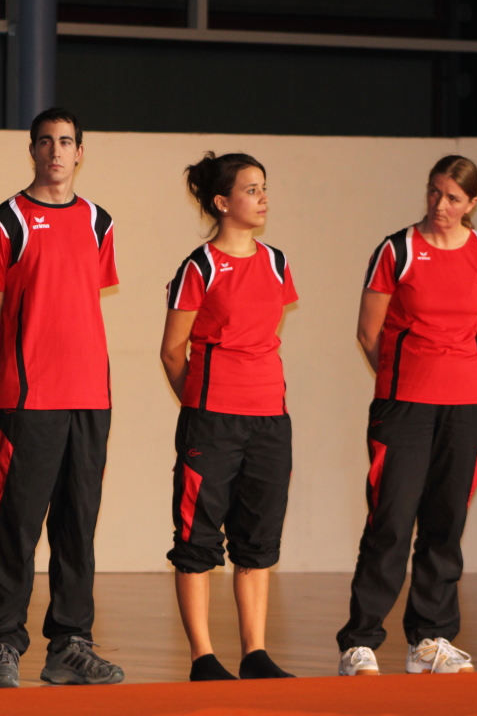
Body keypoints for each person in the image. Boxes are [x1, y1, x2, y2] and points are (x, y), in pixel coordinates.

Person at [0, 108, 124, 687]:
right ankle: (2, 646)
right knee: (15, 526)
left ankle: (70, 645)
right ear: (32, 150)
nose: (56, 151)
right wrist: (21, 373)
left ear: (80, 152)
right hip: (28, 400)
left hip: (90, 398)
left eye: (66, 142)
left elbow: (84, 299)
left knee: (77, 526)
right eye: (46, 141)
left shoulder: (99, 221)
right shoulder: (4, 220)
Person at [336, 156, 477, 676]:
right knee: (390, 521)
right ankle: (360, 642)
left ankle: (429, 640)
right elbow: (369, 332)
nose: (440, 204)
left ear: (471, 204)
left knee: (444, 525)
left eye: (453, 197)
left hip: (466, 408)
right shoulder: (397, 249)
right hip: (404, 406)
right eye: (434, 192)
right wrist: (402, 379)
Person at [160, 152, 298, 681]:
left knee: (257, 541)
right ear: (222, 202)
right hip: (212, 421)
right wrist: (201, 405)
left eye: (264, 188)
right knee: (196, 540)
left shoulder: (276, 262)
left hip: (270, 421)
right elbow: (173, 352)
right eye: (251, 189)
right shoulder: (200, 267)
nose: (263, 198)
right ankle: (203, 657)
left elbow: (263, 337)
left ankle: (255, 653)